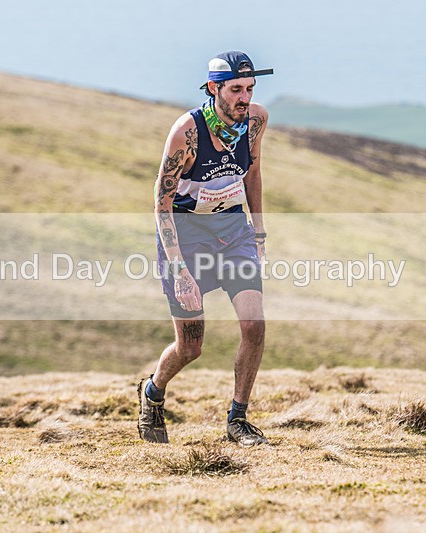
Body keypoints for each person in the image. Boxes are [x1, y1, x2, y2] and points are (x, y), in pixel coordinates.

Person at [138, 51, 273, 446]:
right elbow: (161, 201)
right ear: (214, 88)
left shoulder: (256, 121)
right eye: (235, 90)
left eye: (249, 88)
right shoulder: (187, 132)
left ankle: (238, 420)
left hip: (233, 231)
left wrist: (259, 233)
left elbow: (253, 172)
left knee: (254, 326)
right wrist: (178, 268)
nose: (244, 98)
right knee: (191, 346)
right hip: (186, 236)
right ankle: (153, 392)